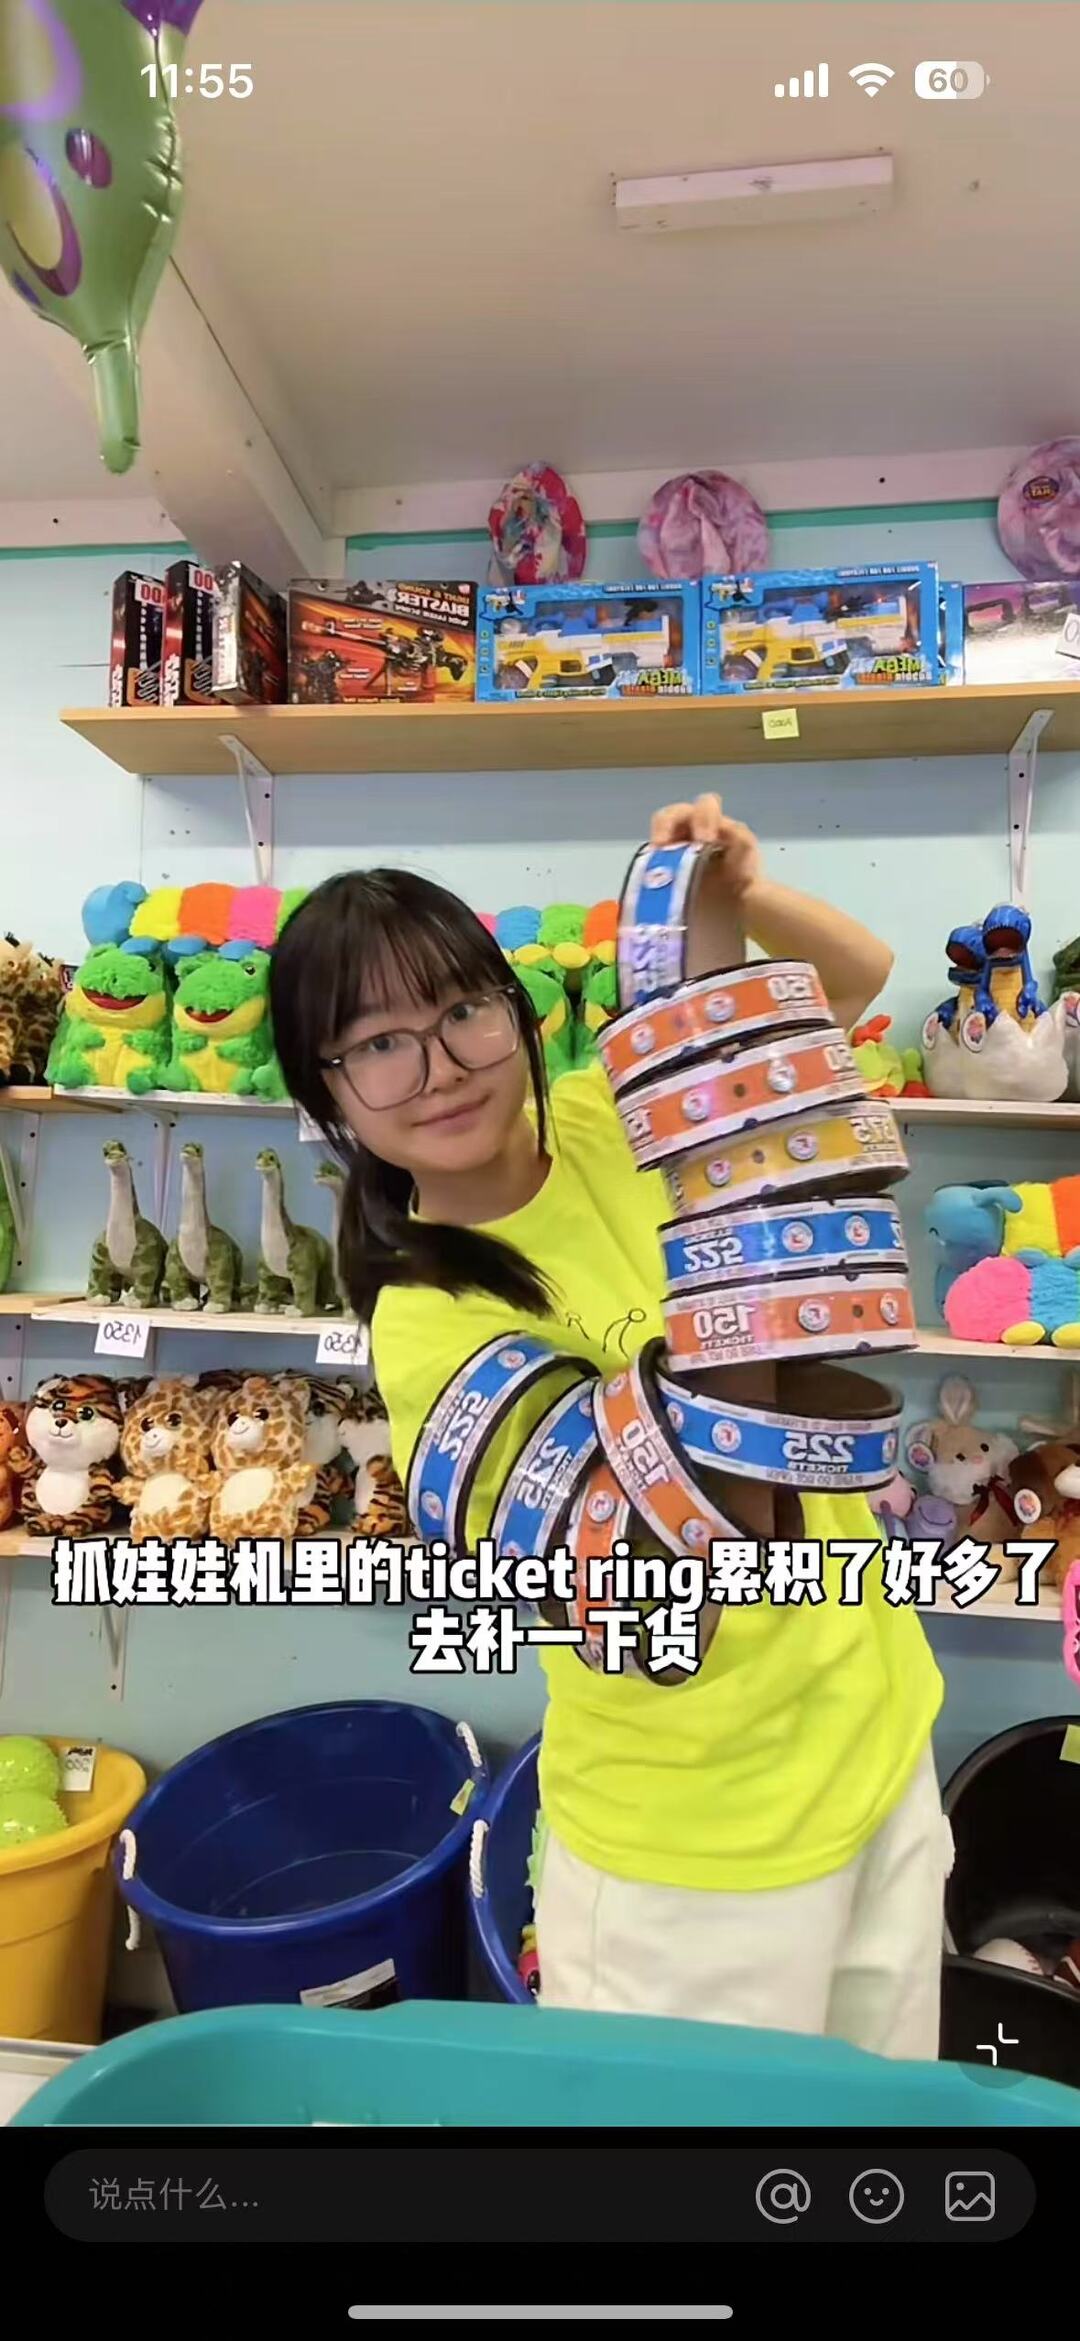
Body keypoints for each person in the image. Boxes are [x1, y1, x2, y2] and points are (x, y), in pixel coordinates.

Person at [270, 794, 947, 2056]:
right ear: (330, 1094)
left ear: (518, 1013)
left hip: (878, 1733)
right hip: (695, 1837)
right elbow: (669, 1567)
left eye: (463, 1011)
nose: (441, 1067)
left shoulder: (600, 1115)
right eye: (378, 1044)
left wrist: (734, 899)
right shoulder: (430, 1321)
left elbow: (841, 991)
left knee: (876, 2137)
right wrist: (748, 1305)